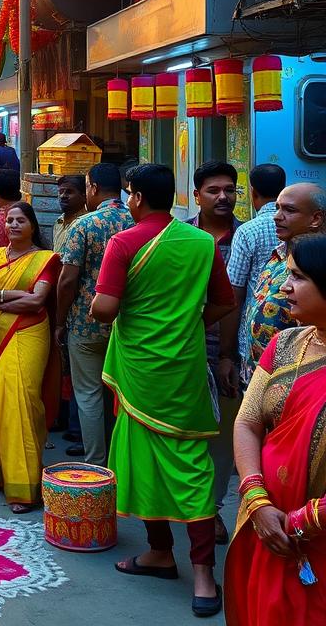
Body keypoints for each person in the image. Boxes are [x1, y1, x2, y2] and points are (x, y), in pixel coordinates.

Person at [91, 163, 235, 618]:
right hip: (186, 367)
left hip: (139, 369)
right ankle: (192, 569)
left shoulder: (124, 242)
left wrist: (104, 308)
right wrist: (185, 325)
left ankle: (171, 557)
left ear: (134, 197)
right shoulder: (201, 243)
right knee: (188, 464)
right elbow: (223, 302)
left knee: (149, 461)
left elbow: (105, 308)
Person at [224, 234, 326, 626]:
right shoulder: (285, 344)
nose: (285, 287)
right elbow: (248, 422)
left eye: (298, 277)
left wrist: (302, 522)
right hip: (265, 524)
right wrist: (257, 500)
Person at [0, 202, 60, 509]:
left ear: (33, 225)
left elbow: (38, 301)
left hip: (30, 332)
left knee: (22, 399)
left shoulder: (45, 259)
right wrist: (13, 296)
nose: (14, 225)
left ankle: (25, 484)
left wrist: (6, 300)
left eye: (21, 220)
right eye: (10, 220)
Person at [54, 162, 134, 467]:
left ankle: (96, 462)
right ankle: (122, 460)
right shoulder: (135, 220)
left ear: (93, 188)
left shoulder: (85, 224)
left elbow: (67, 280)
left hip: (86, 324)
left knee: (88, 394)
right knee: (122, 392)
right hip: (127, 323)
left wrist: (60, 321)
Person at [187, 160, 243, 543]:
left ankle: (214, 509)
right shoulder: (182, 237)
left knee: (223, 436)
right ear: (196, 196)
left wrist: (228, 355)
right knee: (187, 432)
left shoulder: (249, 237)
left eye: (230, 190)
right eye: (213, 190)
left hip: (232, 355)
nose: (223, 197)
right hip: (185, 351)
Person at [243, 183, 326, 382]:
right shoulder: (278, 254)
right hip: (257, 378)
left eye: (289, 210)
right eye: (278, 207)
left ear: (316, 218)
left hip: (297, 380)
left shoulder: (320, 264)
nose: (277, 216)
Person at [226, 164, 286, 373]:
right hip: (291, 336)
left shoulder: (247, 231)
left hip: (254, 341)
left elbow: (235, 291)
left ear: (253, 191)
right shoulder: (301, 225)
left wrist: (227, 352)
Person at [52, 175, 87, 254]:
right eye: (61, 192)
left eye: (69, 192)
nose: (63, 196)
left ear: (84, 195)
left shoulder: (87, 224)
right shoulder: (59, 221)